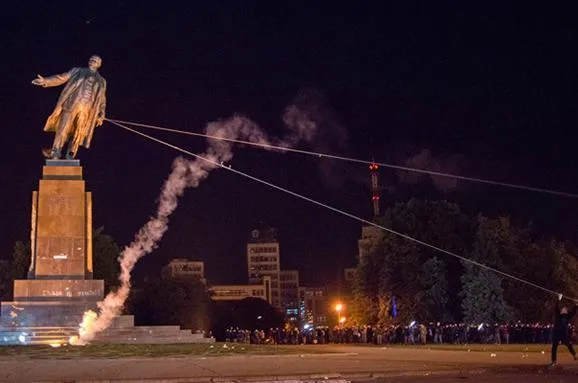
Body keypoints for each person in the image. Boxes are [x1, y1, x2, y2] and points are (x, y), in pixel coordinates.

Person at [32, 55, 107, 160]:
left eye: (94, 61)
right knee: (63, 129)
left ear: (99, 65)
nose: (91, 61)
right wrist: (46, 81)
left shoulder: (101, 81)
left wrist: (101, 113)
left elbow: (102, 99)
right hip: (71, 105)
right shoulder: (77, 71)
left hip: (86, 110)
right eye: (90, 59)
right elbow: (61, 77)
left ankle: (71, 154)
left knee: (78, 132)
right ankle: (55, 153)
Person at [550, 294, 577, 366]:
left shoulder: (567, 316)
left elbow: (574, 312)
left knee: (569, 345)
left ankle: (574, 354)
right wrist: (559, 299)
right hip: (556, 334)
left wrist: (576, 304)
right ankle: (554, 361)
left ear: (566, 311)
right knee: (554, 348)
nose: (563, 309)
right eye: (562, 309)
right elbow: (556, 307)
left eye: (564, 309)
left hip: (564, 334)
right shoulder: (558, 315)